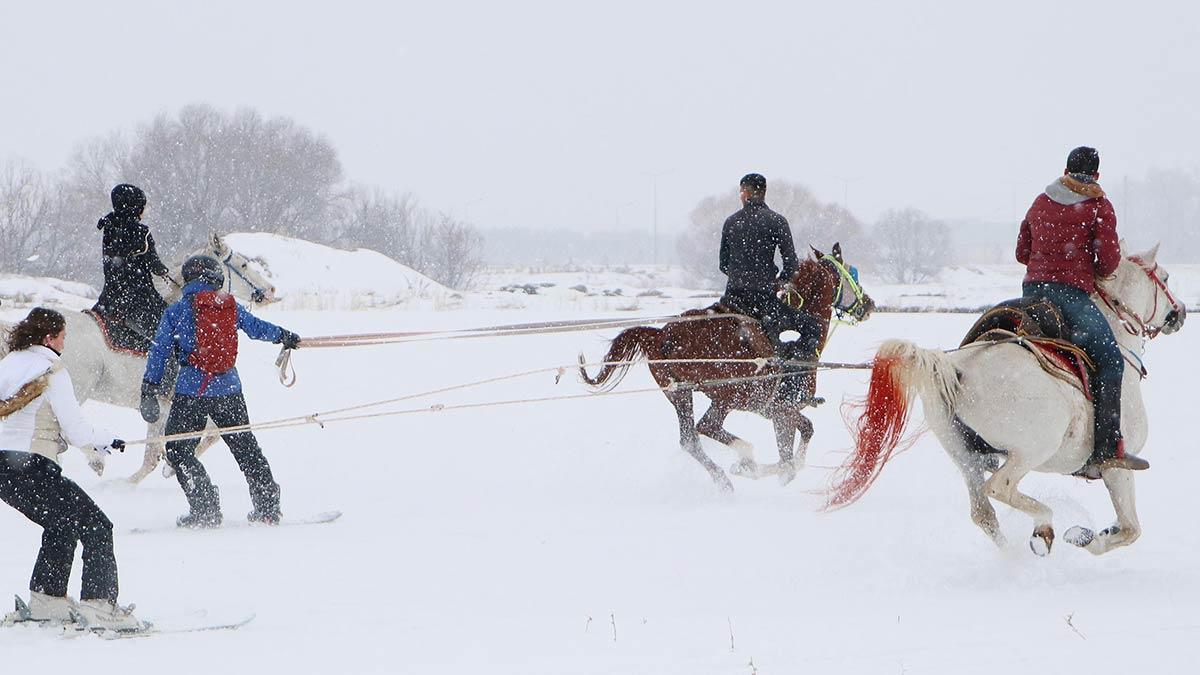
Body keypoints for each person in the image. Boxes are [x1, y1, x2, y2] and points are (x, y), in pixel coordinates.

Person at [0, 308, 140, 629]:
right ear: (49, 338)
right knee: (98, 526)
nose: (64, 343)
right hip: (34, 466)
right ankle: (99, 606)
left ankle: (48, 602)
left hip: (4, 471)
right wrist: (104, 439)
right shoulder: (53, 370)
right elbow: (76, 430)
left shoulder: (7, 365)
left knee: (61, 525)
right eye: (62, 336)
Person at [141, 255, 301, 528]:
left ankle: (205, 508)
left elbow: (160, 351)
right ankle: (268, 509)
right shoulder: (229, 307)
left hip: (190, 392)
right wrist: (284, 335)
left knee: (179, 450)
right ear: (216, 278)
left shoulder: (177, 312)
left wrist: (149, 387)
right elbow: (256, 327)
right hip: (228, 389)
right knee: (246, 448)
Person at [1016, 146, 1148, 475]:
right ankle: (1105, 448)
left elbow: (1022, 252)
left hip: (1031, 294)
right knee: (1110, 360)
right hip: (1071, 298)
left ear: (1066, 168)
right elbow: (1108, 263)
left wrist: (1045, 262)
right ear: (1097, 175)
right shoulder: (1099, 206)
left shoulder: (1041, 201)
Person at [719, 173, 822, 401]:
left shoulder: (731, 222)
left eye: (741, 192)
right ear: (762, 192)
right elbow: (791, 264)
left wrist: (740, 277)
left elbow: (723, 264)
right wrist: (778, 282)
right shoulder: (777, 221)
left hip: (732, 299)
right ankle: (793, 388)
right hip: (764, 301)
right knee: (812, 327)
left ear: (745, 193)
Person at [93, 183, 174, 341]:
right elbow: (154, 264)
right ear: (135, 207)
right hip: (139, 293)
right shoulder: (141, 232)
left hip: (111, 294)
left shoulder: (108, 226)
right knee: (169, 325)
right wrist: (164, 270)